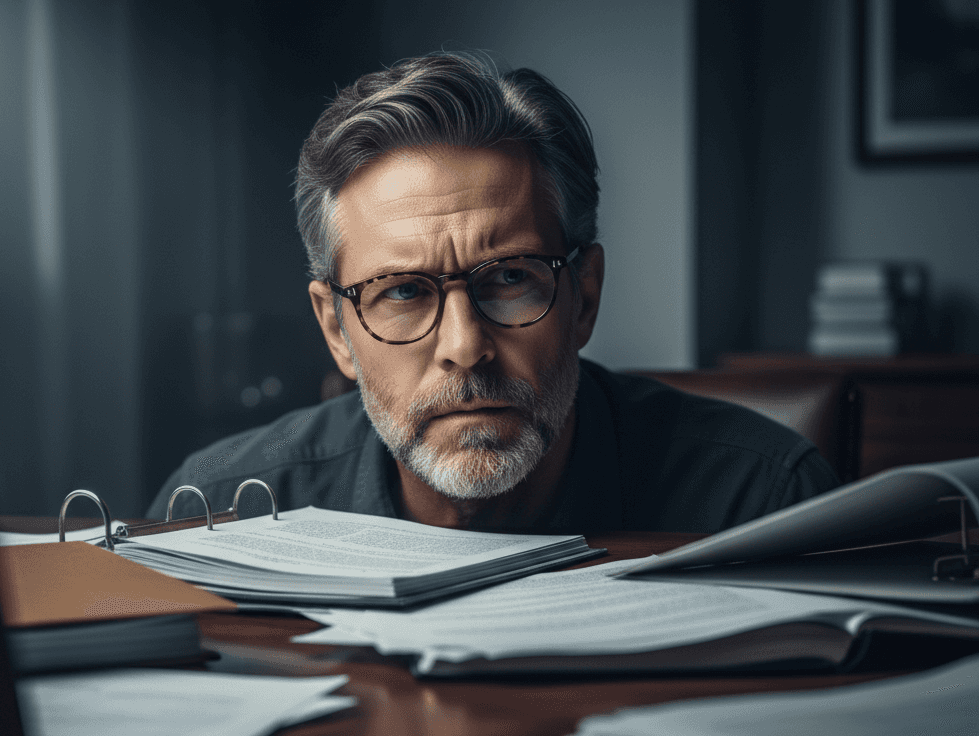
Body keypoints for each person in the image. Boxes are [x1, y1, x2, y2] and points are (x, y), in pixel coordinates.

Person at [149, 51, 838, 534]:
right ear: (337, 331)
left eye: (509, 278)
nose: (465, 347)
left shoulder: (764, 502)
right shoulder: (216, 510)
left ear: (584, 298)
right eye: (402, 292)